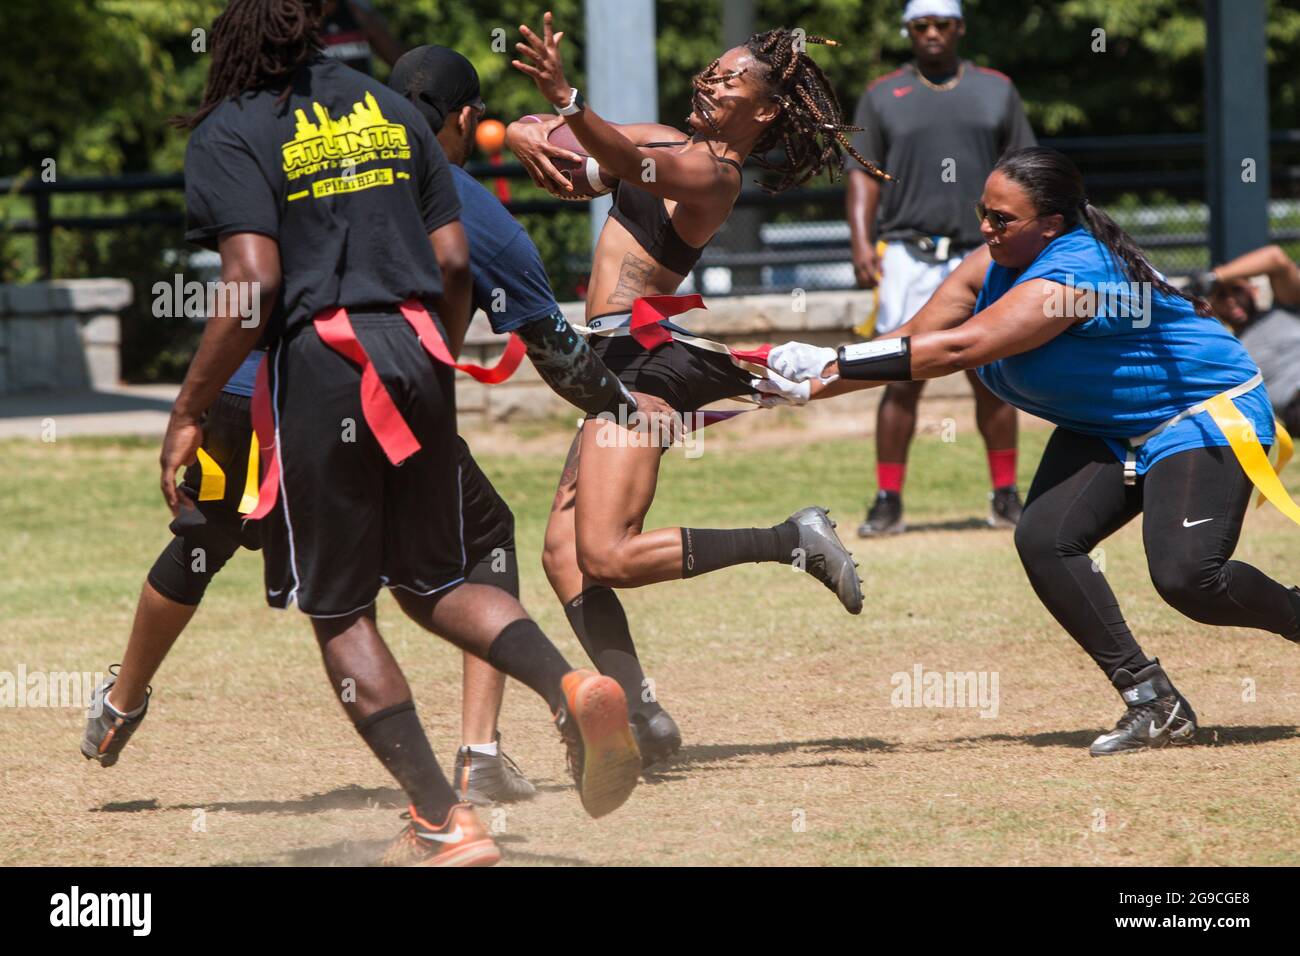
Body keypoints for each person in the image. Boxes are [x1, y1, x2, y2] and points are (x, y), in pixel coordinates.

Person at [123, 0, 641, 867]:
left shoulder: (233, 129)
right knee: (434, 581)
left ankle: (445, 820)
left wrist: (184, 412)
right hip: (415, 354)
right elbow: (449, 263)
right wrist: (421, 365)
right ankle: (573, 683)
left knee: (339, 610)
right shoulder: (392, 109)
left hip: (325, 365)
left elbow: (252, 285)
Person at [770, 147, 1300, 756]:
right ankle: (1152, 702)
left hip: (1201, 414)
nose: (986, 229)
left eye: (1002, 219)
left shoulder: (1077, 273)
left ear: (1051, 223)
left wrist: (833, 360)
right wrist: (806, 385)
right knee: (1045, 539)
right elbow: (910, 342)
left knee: (1188, 578)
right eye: (983, 213)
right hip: (1105, 423)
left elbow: (960, 350)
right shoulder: (988, 264)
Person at [507, 14, 874, 766]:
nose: (709, 81)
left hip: (646, 365)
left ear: (765, 111)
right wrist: (530, 133)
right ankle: (646, 720)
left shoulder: (716, 175)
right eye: (711, 68)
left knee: (605, 555)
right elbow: (583, 160)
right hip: (610, 361)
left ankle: (790, 540)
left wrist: (570, 104)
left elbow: (618, 156)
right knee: (561, 557)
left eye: (731, 78)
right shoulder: (666, 141)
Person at [845, 0, 1035, 536]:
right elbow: (862, 175)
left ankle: (1006, 495)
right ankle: (887, 500)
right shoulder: (883, 94)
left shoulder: (996, 88)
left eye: (941, 24)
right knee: (898, 374)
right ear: (908, 30)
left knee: (990, 375)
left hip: (983, 251)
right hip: (907, 252)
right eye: (920, 25)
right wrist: (861, 241)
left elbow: (1026, 170)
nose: (931, 33)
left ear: (959, 28)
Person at [1188, 244, 1300, 437]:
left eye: (1237, 290)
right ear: (1212, 306)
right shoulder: (1227, 350)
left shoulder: (1287, 307)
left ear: (1254, 290)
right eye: (1221, 296)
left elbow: (1276, 258)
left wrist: (1213, 278)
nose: (1231, 300)